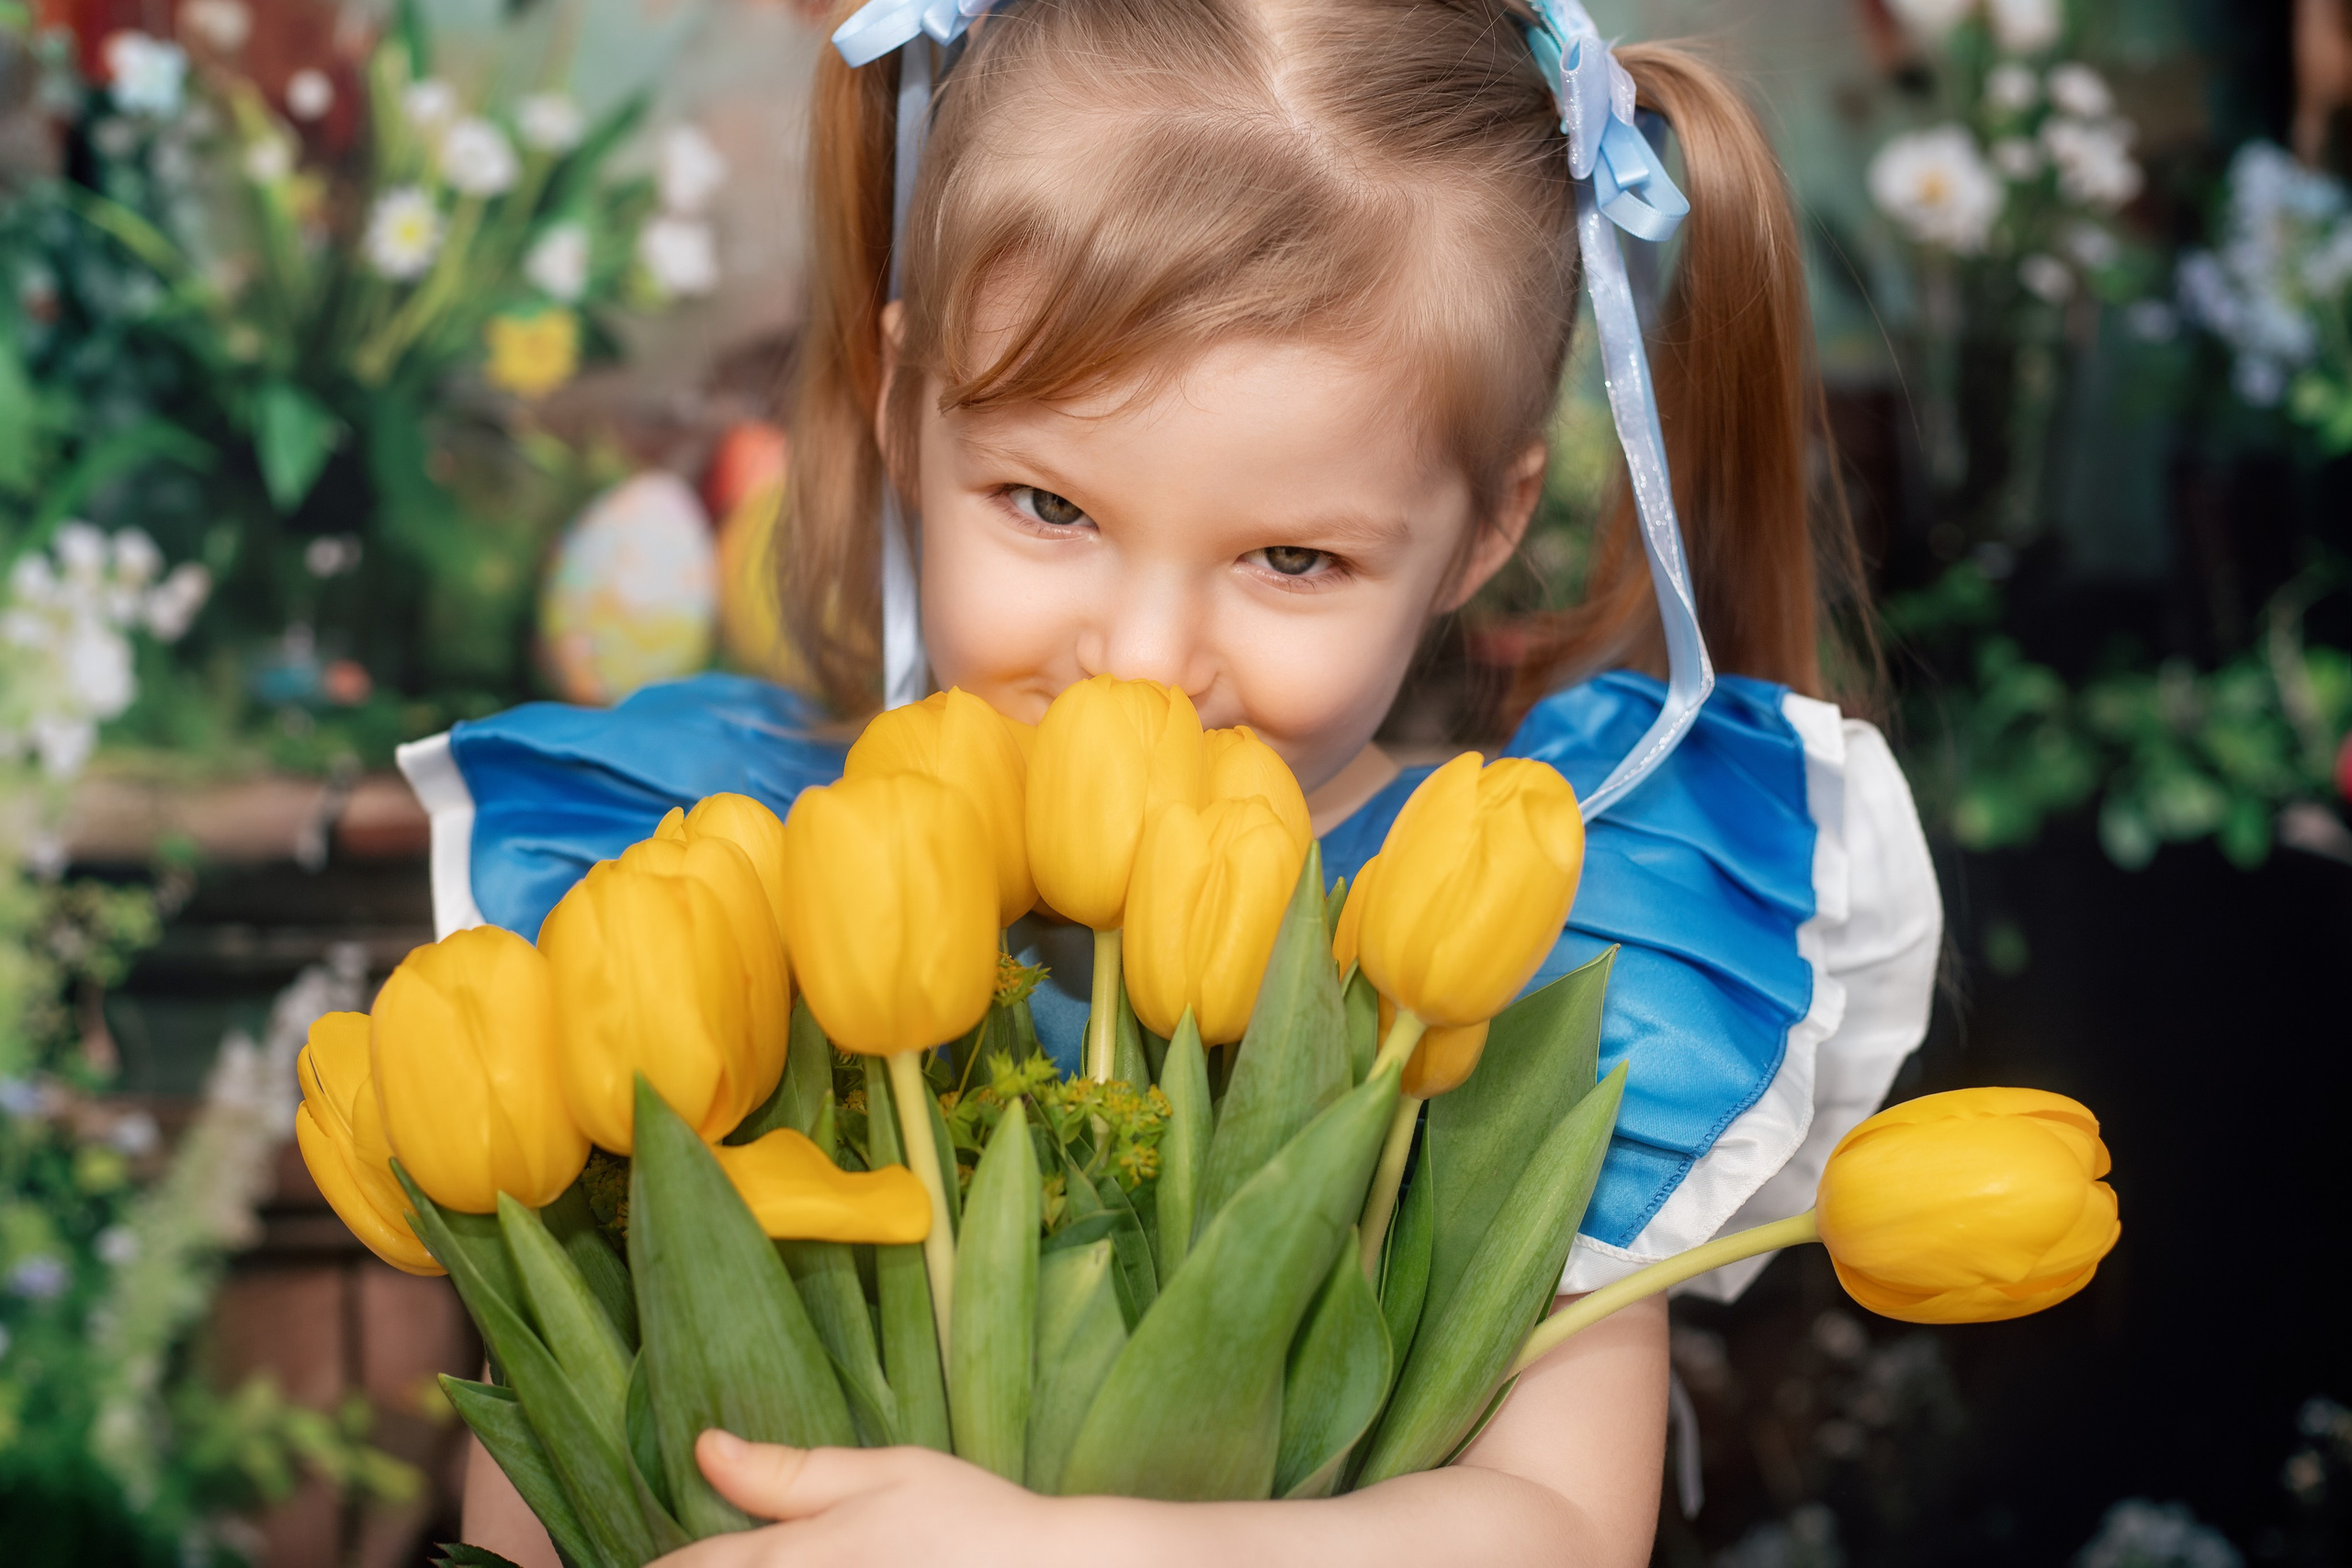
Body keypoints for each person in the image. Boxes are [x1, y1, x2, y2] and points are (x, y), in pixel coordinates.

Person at [398, 1, 1941, 1562]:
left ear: (1485, 523)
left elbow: (1550, 1525)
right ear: (901, 406)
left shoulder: (1522, 924)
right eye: (1047, 504)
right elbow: (553, 1485)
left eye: (1291, 557)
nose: (1140, 661)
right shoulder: (700, 889)